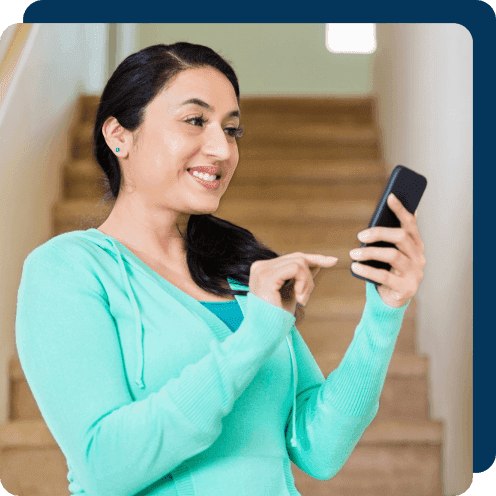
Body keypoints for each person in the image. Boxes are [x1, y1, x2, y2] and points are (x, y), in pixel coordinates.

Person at [15, 42, 426, 496]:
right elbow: (105, 466)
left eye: (232, 130)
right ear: (119, 136)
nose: (222, 149)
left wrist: (385, 311)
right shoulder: (67, 270)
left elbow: (319, 450)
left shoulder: (240, 273)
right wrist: (252, 338)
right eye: (196, 121)